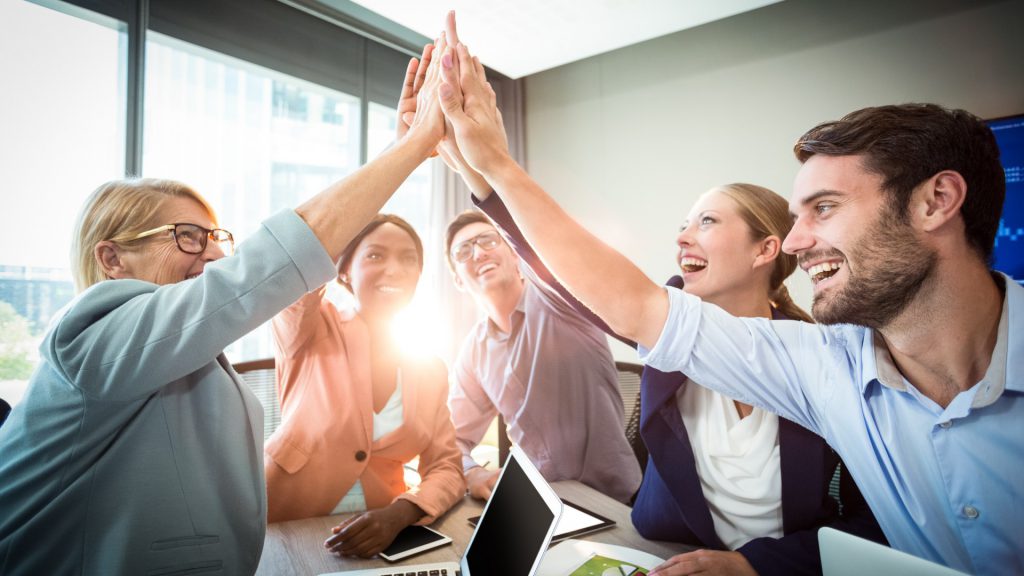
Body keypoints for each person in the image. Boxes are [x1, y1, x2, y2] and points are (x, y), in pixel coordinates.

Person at [435, 30, 1021, 575]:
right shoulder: (825, 364)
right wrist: (487, 170)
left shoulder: (817, 364)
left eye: (824, 208)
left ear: (936, 201)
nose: (797, 242)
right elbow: (622, 300)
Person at [0, 45, 446, 575]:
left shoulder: (190, 356)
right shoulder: (91, 333)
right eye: (187, 237)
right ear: (112, 258)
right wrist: (411, 148)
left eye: (215, 238)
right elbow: (267, 270)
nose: (213, 253)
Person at [462, 180, 886, 575]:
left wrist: (751, 564)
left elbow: (876, 526)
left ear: (765, 250)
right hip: (663, 552)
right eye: (683, 225)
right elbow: (558, 268)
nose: (682, 238)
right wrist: (480, 175)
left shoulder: (824, 363)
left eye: (707, 221)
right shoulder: (666, 333)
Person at [266, 213, 464, 559]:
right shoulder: (309, 326)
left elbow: (446, 467)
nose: (394, 269)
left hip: (375, 541)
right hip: (281, 528)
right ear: (343, 269)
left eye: (408, 258)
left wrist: (401, 513)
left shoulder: (430, 368)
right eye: (375, 255)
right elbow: (299, 265)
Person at [443, 208, 641, 504]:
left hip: (611, 500)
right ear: (458, 280)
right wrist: (473, 473)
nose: (479, 253)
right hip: (537, 503)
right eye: (463, 251)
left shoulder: (560, 300)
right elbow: (451, 439)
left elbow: (549, 245)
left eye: (488, 240)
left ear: (515, 254)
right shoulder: (474, 350)